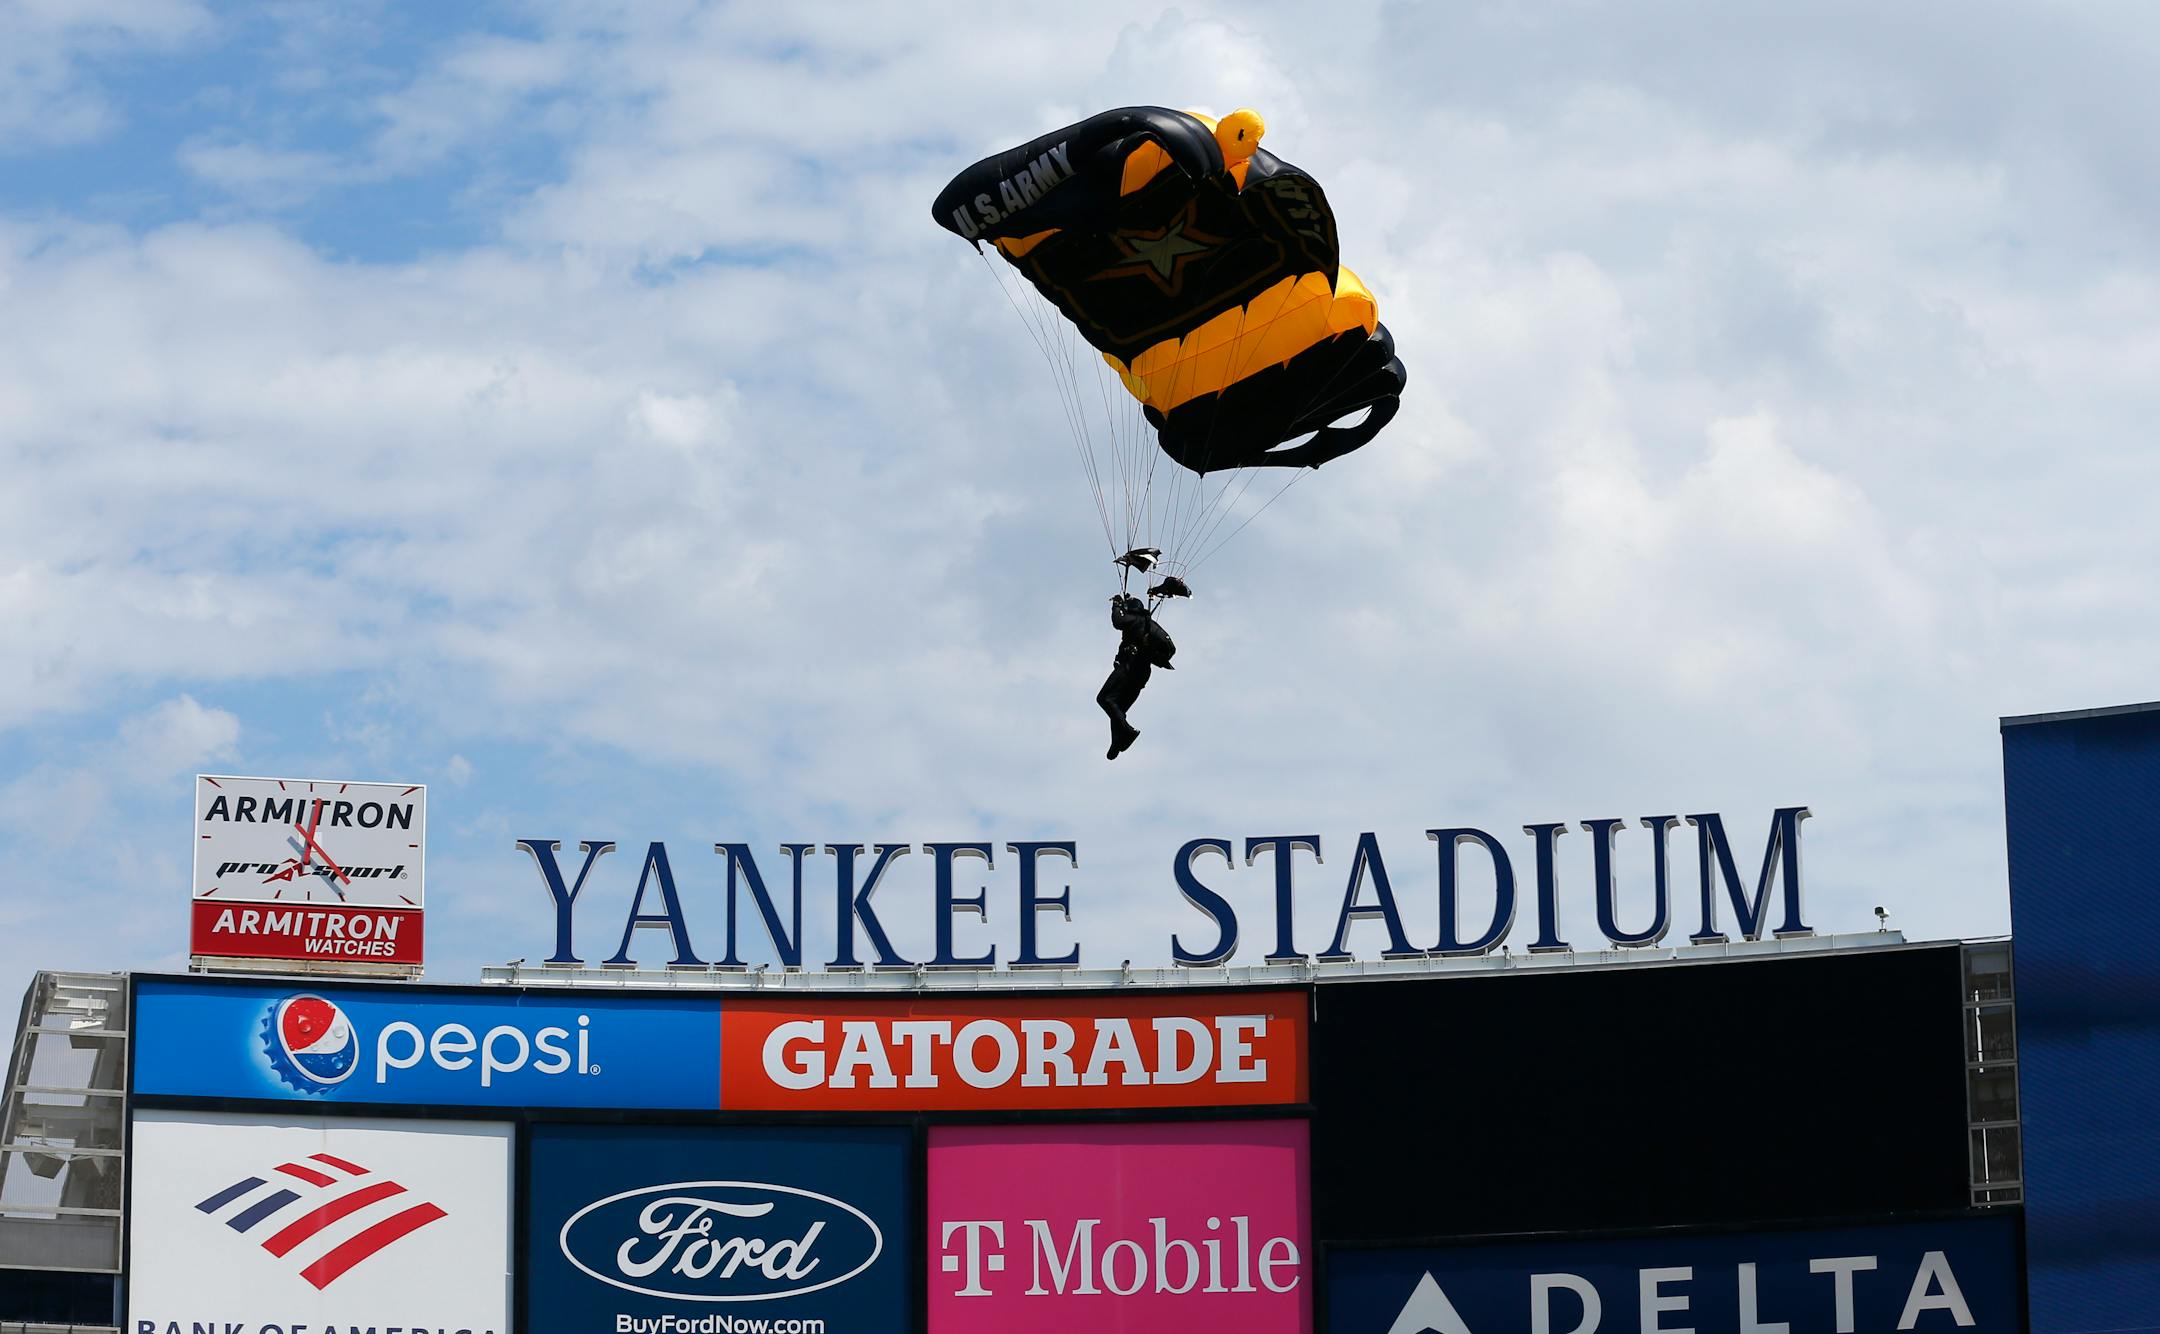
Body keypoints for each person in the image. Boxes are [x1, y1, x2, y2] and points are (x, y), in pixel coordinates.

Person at [1098, 593, 1171, 759]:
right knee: (1118, 709)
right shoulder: (1147, 624)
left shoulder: (1135, 619)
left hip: (1130, 667)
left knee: (1105, 699)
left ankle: (1127, 732)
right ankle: (1118, 741)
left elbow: (1118, 621)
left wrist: (1116, 604)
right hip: (1142, 673)